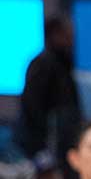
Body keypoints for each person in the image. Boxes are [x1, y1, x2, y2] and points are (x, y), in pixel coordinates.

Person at [18, 16, 81, 168]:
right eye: (67, 34)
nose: (71, 39)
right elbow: (32, 104)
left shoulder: (64, 64)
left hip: (64, 140)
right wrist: (43, 138)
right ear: (55, 35)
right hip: (46, 142)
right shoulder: (43, 63)